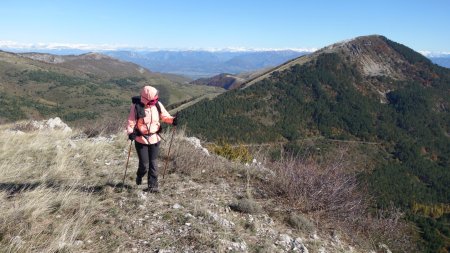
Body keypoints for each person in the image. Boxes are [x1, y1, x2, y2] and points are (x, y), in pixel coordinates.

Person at [126, 85, 177, 193]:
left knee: (153, 163)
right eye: (154, 97)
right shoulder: (136, 107)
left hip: (155, 138)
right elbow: (131, 122)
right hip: (141, 140)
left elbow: (165, 116)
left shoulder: (157, 104)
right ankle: (139, 175)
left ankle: (153, 186)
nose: (156, 99)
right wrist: (131, 133)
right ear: (147, 98)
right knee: (144, 165)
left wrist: (172, 120)